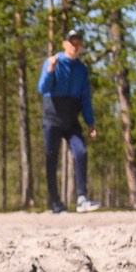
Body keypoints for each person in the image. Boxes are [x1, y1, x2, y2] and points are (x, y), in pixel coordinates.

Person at [39, 32, 98, 213]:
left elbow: (85, 98)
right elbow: (43, 88)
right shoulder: (54, 63)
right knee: (51, 159)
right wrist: (50, 70)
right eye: (71, 43)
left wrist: (90, 123)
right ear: (65, 44)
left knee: (80, 152)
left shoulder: (81, 69)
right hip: (52, 117)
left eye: (78, 43)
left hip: (71, 119)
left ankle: (82, 197)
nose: (74, 46)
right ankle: (55, 201)